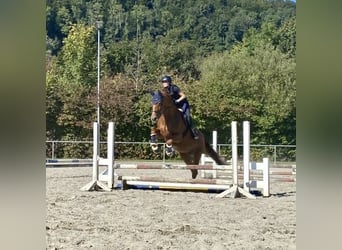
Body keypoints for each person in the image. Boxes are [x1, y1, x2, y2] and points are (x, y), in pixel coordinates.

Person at [151, 75, 199, 142]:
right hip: (173, 105)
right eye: (163, 82)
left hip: (182, 104)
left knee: (187, 116)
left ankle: (193, 131)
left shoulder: (174, 88)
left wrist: (177, 101)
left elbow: (183, 96)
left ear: (169, 82)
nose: (164, 83)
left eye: (165, 81)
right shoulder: (163, 91)